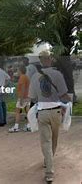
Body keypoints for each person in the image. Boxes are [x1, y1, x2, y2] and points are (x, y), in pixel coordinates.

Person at [29, 51, 70, 183]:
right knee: (54, 139)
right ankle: (49, 162)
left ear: (41, 61)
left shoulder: (35, 76)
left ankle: (49, 171)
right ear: (50, 60)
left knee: (45, 141)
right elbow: (64, 94)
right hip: (56, 112)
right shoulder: (58, 74)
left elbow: (33, 97)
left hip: (42, 113)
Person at [9, 65, 31, 132]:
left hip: (23, 97)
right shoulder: (26, 77)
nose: (17, 72)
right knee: (27, 111)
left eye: (18, 70)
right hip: (27, 96)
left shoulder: (22, 77)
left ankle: (16, 126)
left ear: (20, 71)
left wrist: (21, 98)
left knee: (17, 111)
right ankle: (29, 125)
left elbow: (22, 88)